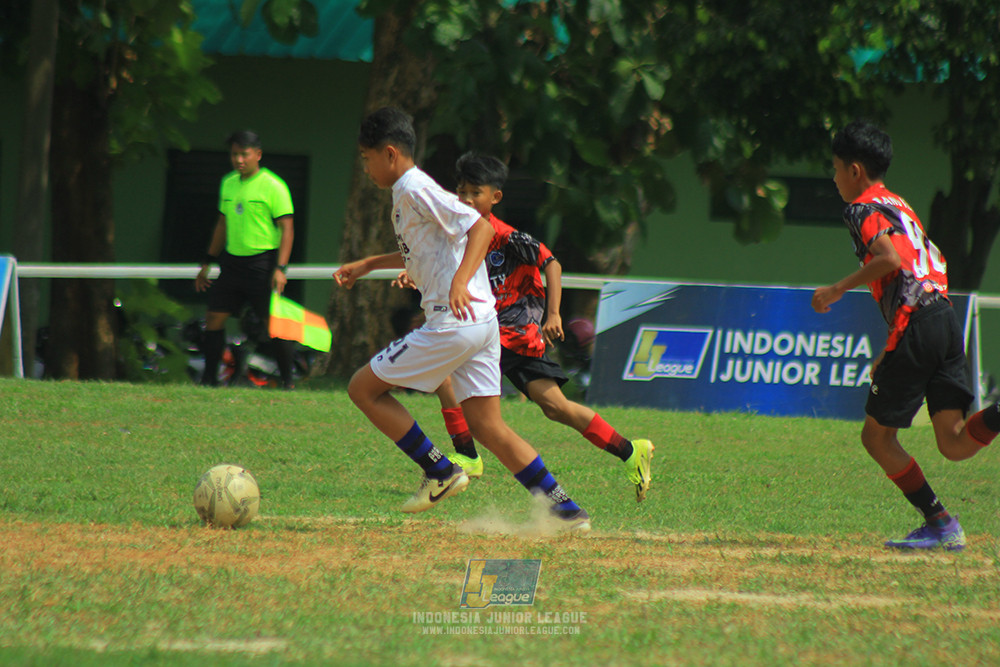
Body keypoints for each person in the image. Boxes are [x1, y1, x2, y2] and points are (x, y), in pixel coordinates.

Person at [333, 107, 591, 531]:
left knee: (363, 389)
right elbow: (426, 247)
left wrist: (460, 282)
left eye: (366, 157)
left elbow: (481, 230)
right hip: (481, 323)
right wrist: (368, 263)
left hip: (455, 320)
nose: (365, 167)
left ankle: (439, 470)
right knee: (488, 427)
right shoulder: (408, 193)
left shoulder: (414, 187)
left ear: (391, 154)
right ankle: (565, 509)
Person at [395, 153, 653, 502]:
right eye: (462, 192)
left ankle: (469, 457)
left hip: (515, 335)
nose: (466, 200)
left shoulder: (505, 235)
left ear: (495, 198)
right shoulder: (458, 232)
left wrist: (554, 314)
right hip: (486, 333)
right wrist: (413, 272)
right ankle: (627, 450)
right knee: (537, 403)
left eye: (475, 193)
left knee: (551, 406)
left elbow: (552, 263)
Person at [812, 120, 1000, 551]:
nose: (835, 177)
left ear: (855, 170)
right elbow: (916, 267)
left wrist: (836, 289)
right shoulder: (899, 204)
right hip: (944, 319)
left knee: (876, 437)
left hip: (920, 323)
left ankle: (940, 523)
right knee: (953, 443)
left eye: (836, 168)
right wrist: (891, 346)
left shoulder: (861, 208)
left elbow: (890, 259)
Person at [195, 130, 296, 389]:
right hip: (231, 264)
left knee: (273, 325)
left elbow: (287, 228)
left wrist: (280, 268)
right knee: (214, 319)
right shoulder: (228, 183)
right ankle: (208, 380)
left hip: (262, 264)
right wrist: (208, 260)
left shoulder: (274, 185)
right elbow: (222, 223)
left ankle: (288, 382)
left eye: (244, 154)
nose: (239, 160)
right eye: (234, 154)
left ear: (257, 155)